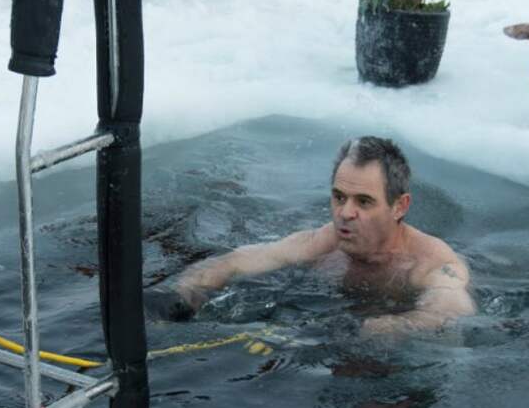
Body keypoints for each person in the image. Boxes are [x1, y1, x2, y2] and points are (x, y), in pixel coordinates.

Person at [148, 137, 476, 335]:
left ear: (399, 206)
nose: (345, 213)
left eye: (364, 202)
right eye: (338, 197)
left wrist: (391, 326)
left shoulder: (429, 262)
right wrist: (183, 295)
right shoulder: (325, 242)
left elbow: (451, 310)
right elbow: (238, 261)